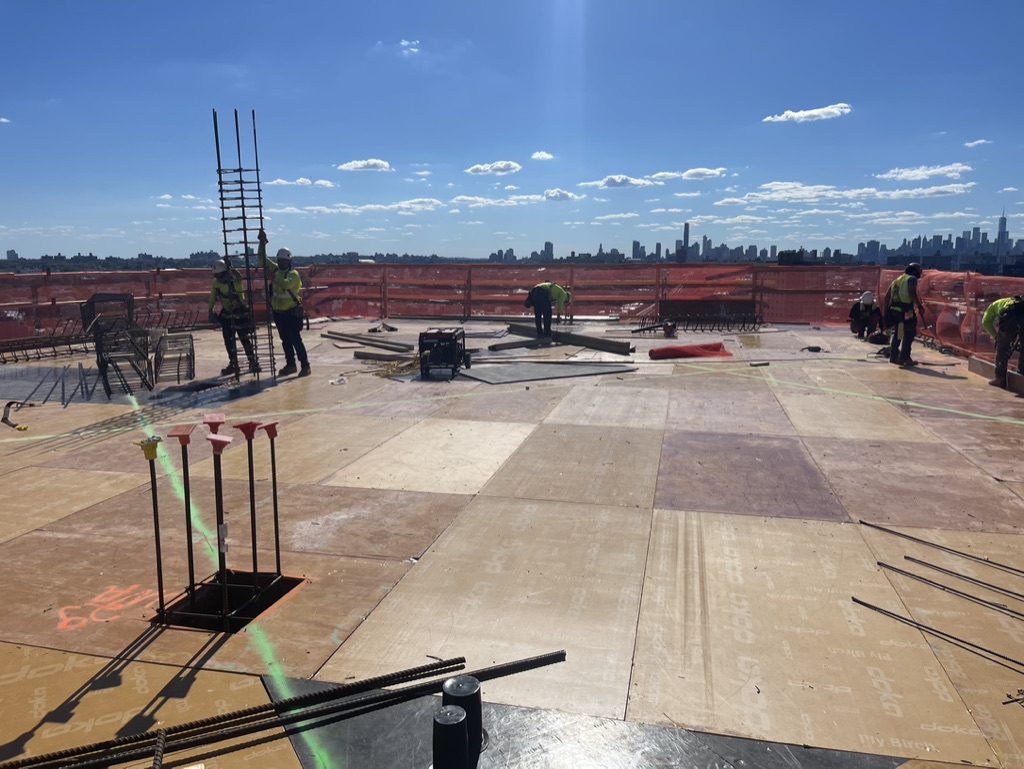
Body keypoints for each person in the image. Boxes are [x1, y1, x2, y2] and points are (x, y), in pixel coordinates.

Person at [257, 229, 310, 377]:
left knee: (296, 340)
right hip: (279, 313)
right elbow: (262, 258)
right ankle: (291, 365)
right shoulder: (276, 270)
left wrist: (273, 277)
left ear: (289, 261)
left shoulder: (293, 274)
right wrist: (262, 243)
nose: (281, 263)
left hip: (292, 313)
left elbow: (286, 284)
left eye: (284, 261)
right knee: (285, 341)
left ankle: (305, 365)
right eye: (279, 261)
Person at [208, 261, 259, 376]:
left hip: (239, 312)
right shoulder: (216, 283)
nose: (217, 277)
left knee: (244, 338)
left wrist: (231, 267)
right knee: (228, 340)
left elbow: (239, 276)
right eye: (216, 275)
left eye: (219, 275)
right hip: (227, 313)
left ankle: (253, 362)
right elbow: (212, 298)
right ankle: (234, 364)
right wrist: (210, 311)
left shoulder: (235, 281)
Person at [882, 263, 926, 366]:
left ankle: (893, 357)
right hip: (905, 311)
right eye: (919, 272)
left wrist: (886, 312)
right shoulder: (911, 279)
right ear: (914, 271)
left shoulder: (897, 280)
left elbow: (887, 297)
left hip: (894, 310)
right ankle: (904, 357)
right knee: (909, 333)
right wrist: (919, 306)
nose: (919, 274)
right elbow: (912, 292)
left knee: (898, 333)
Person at [982, 295, 1024, 388]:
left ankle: (1000, 378)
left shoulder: (993, 306)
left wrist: (996, 337)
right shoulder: (1015, 301)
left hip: (1010, 317)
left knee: (1002, 348)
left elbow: (985, 322)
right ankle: (1022, 372)